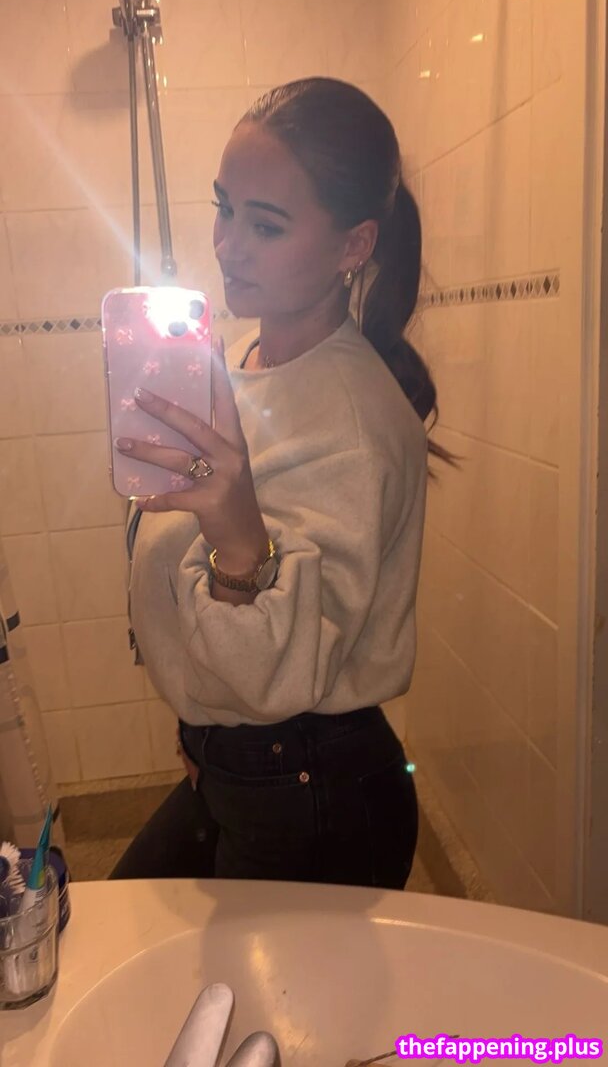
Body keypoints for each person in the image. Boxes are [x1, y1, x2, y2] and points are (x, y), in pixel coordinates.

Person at [109, 77, 451, 889]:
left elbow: (272, 673)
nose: (228, 245)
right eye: (225, 208)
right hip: (244, 758)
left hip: (311, 790)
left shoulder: (356, 426)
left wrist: (237, 538)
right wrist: (199, 726)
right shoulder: (246, 361)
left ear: (352, 247)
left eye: (264, 225)